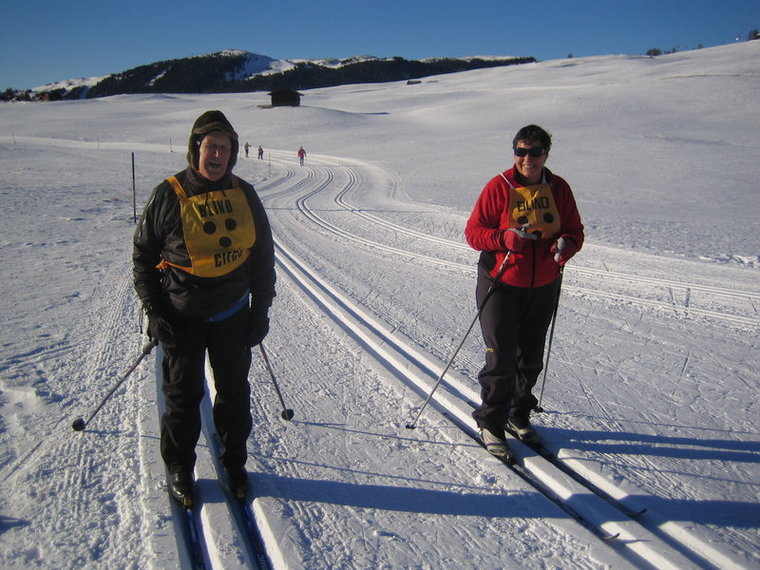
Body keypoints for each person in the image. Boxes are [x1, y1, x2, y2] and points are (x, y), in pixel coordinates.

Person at [133, 110, 276, 505]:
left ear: (232, 154)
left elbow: (262, 256)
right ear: (196, 148)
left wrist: (260, 309)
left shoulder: (245, 194)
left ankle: (234, 463)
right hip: (182, 315)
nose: (217, 155)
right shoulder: (168, 194)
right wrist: (155, 310)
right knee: (182, 394)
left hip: (232, 313)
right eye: (210, 146)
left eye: (224, 148)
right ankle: (180, 465)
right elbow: (143, 257)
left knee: (233, 394)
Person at [464, 124, 583, 458]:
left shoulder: (559, 188)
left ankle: (518, 414)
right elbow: (474, 232)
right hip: (500, 281)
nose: (527, 158)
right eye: (521, 151)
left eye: (534, 152)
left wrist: (567, 244)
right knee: (500, 356)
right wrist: (503, 238)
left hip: (543, 283)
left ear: (546, 153)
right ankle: (491, 421)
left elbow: (575, 229)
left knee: (529, 358)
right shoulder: (499, 186)